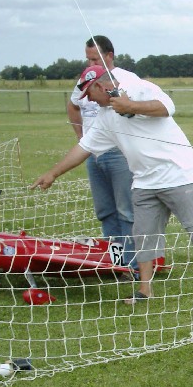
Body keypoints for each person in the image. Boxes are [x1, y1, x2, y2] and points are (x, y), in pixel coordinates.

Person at [32, 65, 193, 307]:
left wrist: (130, 107)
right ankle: (145, 290)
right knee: (142, 236)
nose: (89, 100)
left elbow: (167, 107)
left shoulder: (139, 89)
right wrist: (53, 173)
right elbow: (83, 148)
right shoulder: (104, 118)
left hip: (178, 174)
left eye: (89, 94)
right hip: (144, 182)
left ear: (101, 86)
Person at [67, 35, 137, 272]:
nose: (90, 64)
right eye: (87, 59)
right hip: (92, 155)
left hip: (118, 153)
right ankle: (118, 262)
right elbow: (73, 105)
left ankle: (134, 264)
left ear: (109, 56)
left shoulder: (125, 80)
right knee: (106, 212)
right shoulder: (84, 81)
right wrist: (82, 139)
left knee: (126, 211)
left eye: (95, 59)